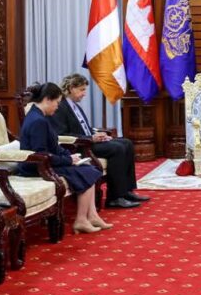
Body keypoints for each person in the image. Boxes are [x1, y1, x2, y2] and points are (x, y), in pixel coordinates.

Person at [19, 82, 109, 234]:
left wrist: (69, 155)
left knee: (89, 168)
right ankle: (81, 220)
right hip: (37, 167)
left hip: (46, 163)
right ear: (47, 99)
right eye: (57, 102)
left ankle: (92, 216)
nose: (58, 107)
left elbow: (53, 146)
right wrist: (68, 161)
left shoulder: (39, 115)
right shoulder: (38, 121)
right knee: (88, 172)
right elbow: (40, 154)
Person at [51, 73, 147, 209]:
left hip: (89, 141)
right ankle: (115, 198)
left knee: (126, 143)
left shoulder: (74, 105)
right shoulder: (61, 107)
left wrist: (97, 134)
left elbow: (83, 127)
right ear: (71, 88)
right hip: (79, 147)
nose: (84, 94)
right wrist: (90, 138)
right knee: (117, 149)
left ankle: (127, 191)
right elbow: (62, 134)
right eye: (82, 90)